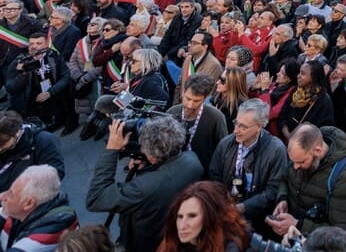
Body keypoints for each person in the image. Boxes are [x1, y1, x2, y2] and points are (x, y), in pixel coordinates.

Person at [86, 115, 204, 252]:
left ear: (152, 156)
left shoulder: (144, 188)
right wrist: (148, 166)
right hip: (172, 234)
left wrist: (111, 149)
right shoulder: (193, 160)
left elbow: (96, 198)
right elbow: (168, 172)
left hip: (145, 243)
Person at [208, 98, 288, 234]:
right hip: (225, 212)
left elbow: (273, 190)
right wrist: (224, 202)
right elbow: (213, 177)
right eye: (236, 123)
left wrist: (243, 207)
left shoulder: (276, 149)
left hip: (258, 221)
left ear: (259, 126)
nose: (236, 131)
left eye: (243, 126)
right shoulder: (226, 144)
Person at [267, 124, 346, 241]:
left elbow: (340, 233)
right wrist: (283, 199)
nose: (295, 167)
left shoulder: (344, 176)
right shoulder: (300, 155)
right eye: (292, 161)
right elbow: (285, 179)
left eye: (301, 162)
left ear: (318, 151)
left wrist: (297, 224)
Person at [0, 165, 77, 252]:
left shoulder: (42, 239)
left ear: (28, 203)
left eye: (11, 193)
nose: (2, 196)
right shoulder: (46, 202)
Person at [156, 181, 250, 252]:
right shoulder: (173, 241)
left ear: (209, 216)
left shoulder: (229, 246)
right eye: (180, 217)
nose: (182, 226)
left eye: (192, 216)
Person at [5, 32, 71, 131]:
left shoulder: (54, 57)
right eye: (31, 44)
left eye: (38, 43)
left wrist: (50, 92)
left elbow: (66, 76)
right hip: (30, 108)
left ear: (45, 45)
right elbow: (11, 89)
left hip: (54, 103)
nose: (34, 46)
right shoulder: (18, 62)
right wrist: (23, 73)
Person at [166, 73, 228, 175]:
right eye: (188, 99)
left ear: (205, 98)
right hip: (172, 172)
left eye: (196, 101)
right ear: (183, 92)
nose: (190, 105)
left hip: (203, 174)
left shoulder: (216, 117)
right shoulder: (171, 113)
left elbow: (222, 150)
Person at [0, 110, 64, 194]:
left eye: (3, 143)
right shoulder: (6, 145)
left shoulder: (43, 141)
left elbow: (55, 174)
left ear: (17, 132)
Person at [278, 61, 334, 142]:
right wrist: (287, 134)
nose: (298, 76)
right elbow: (283, 115)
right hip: (287, 140)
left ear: (313, 77)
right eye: (299, 73)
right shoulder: (295, 91)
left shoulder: (324, 100)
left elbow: (324, 130)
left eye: (302, 74)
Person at [173, 31, 223, 103]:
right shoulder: (188, 59)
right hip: (182, 103)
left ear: (205, 46)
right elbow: (180, 84)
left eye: (195, 43)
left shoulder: (214, 65)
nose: (190, 45)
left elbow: (208, 93)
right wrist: (175, 106)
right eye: (190, 42)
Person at [211, 66, 249, 133]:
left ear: (234, 83)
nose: (217, 82)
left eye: (222, 80)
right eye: (219, 78)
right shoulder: (215, 99)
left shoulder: (241, 106)